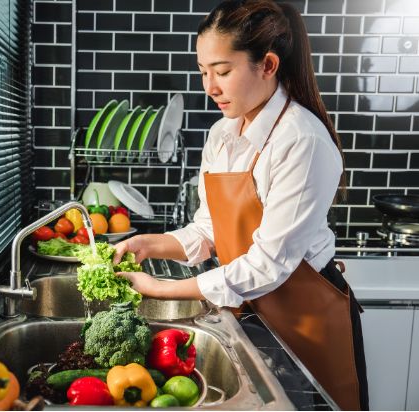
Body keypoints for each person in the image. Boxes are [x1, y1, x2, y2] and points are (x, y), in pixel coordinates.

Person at [113, 0, 368, 410]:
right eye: (203, 73)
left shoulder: (302, 142)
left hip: (308, 324)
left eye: (223, 72)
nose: (209, 87)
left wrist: (165, 290)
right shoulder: (222, 134)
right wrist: (149, 244)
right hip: (250, 314)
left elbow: (268, 264)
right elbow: (208, 229)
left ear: (267, 65)